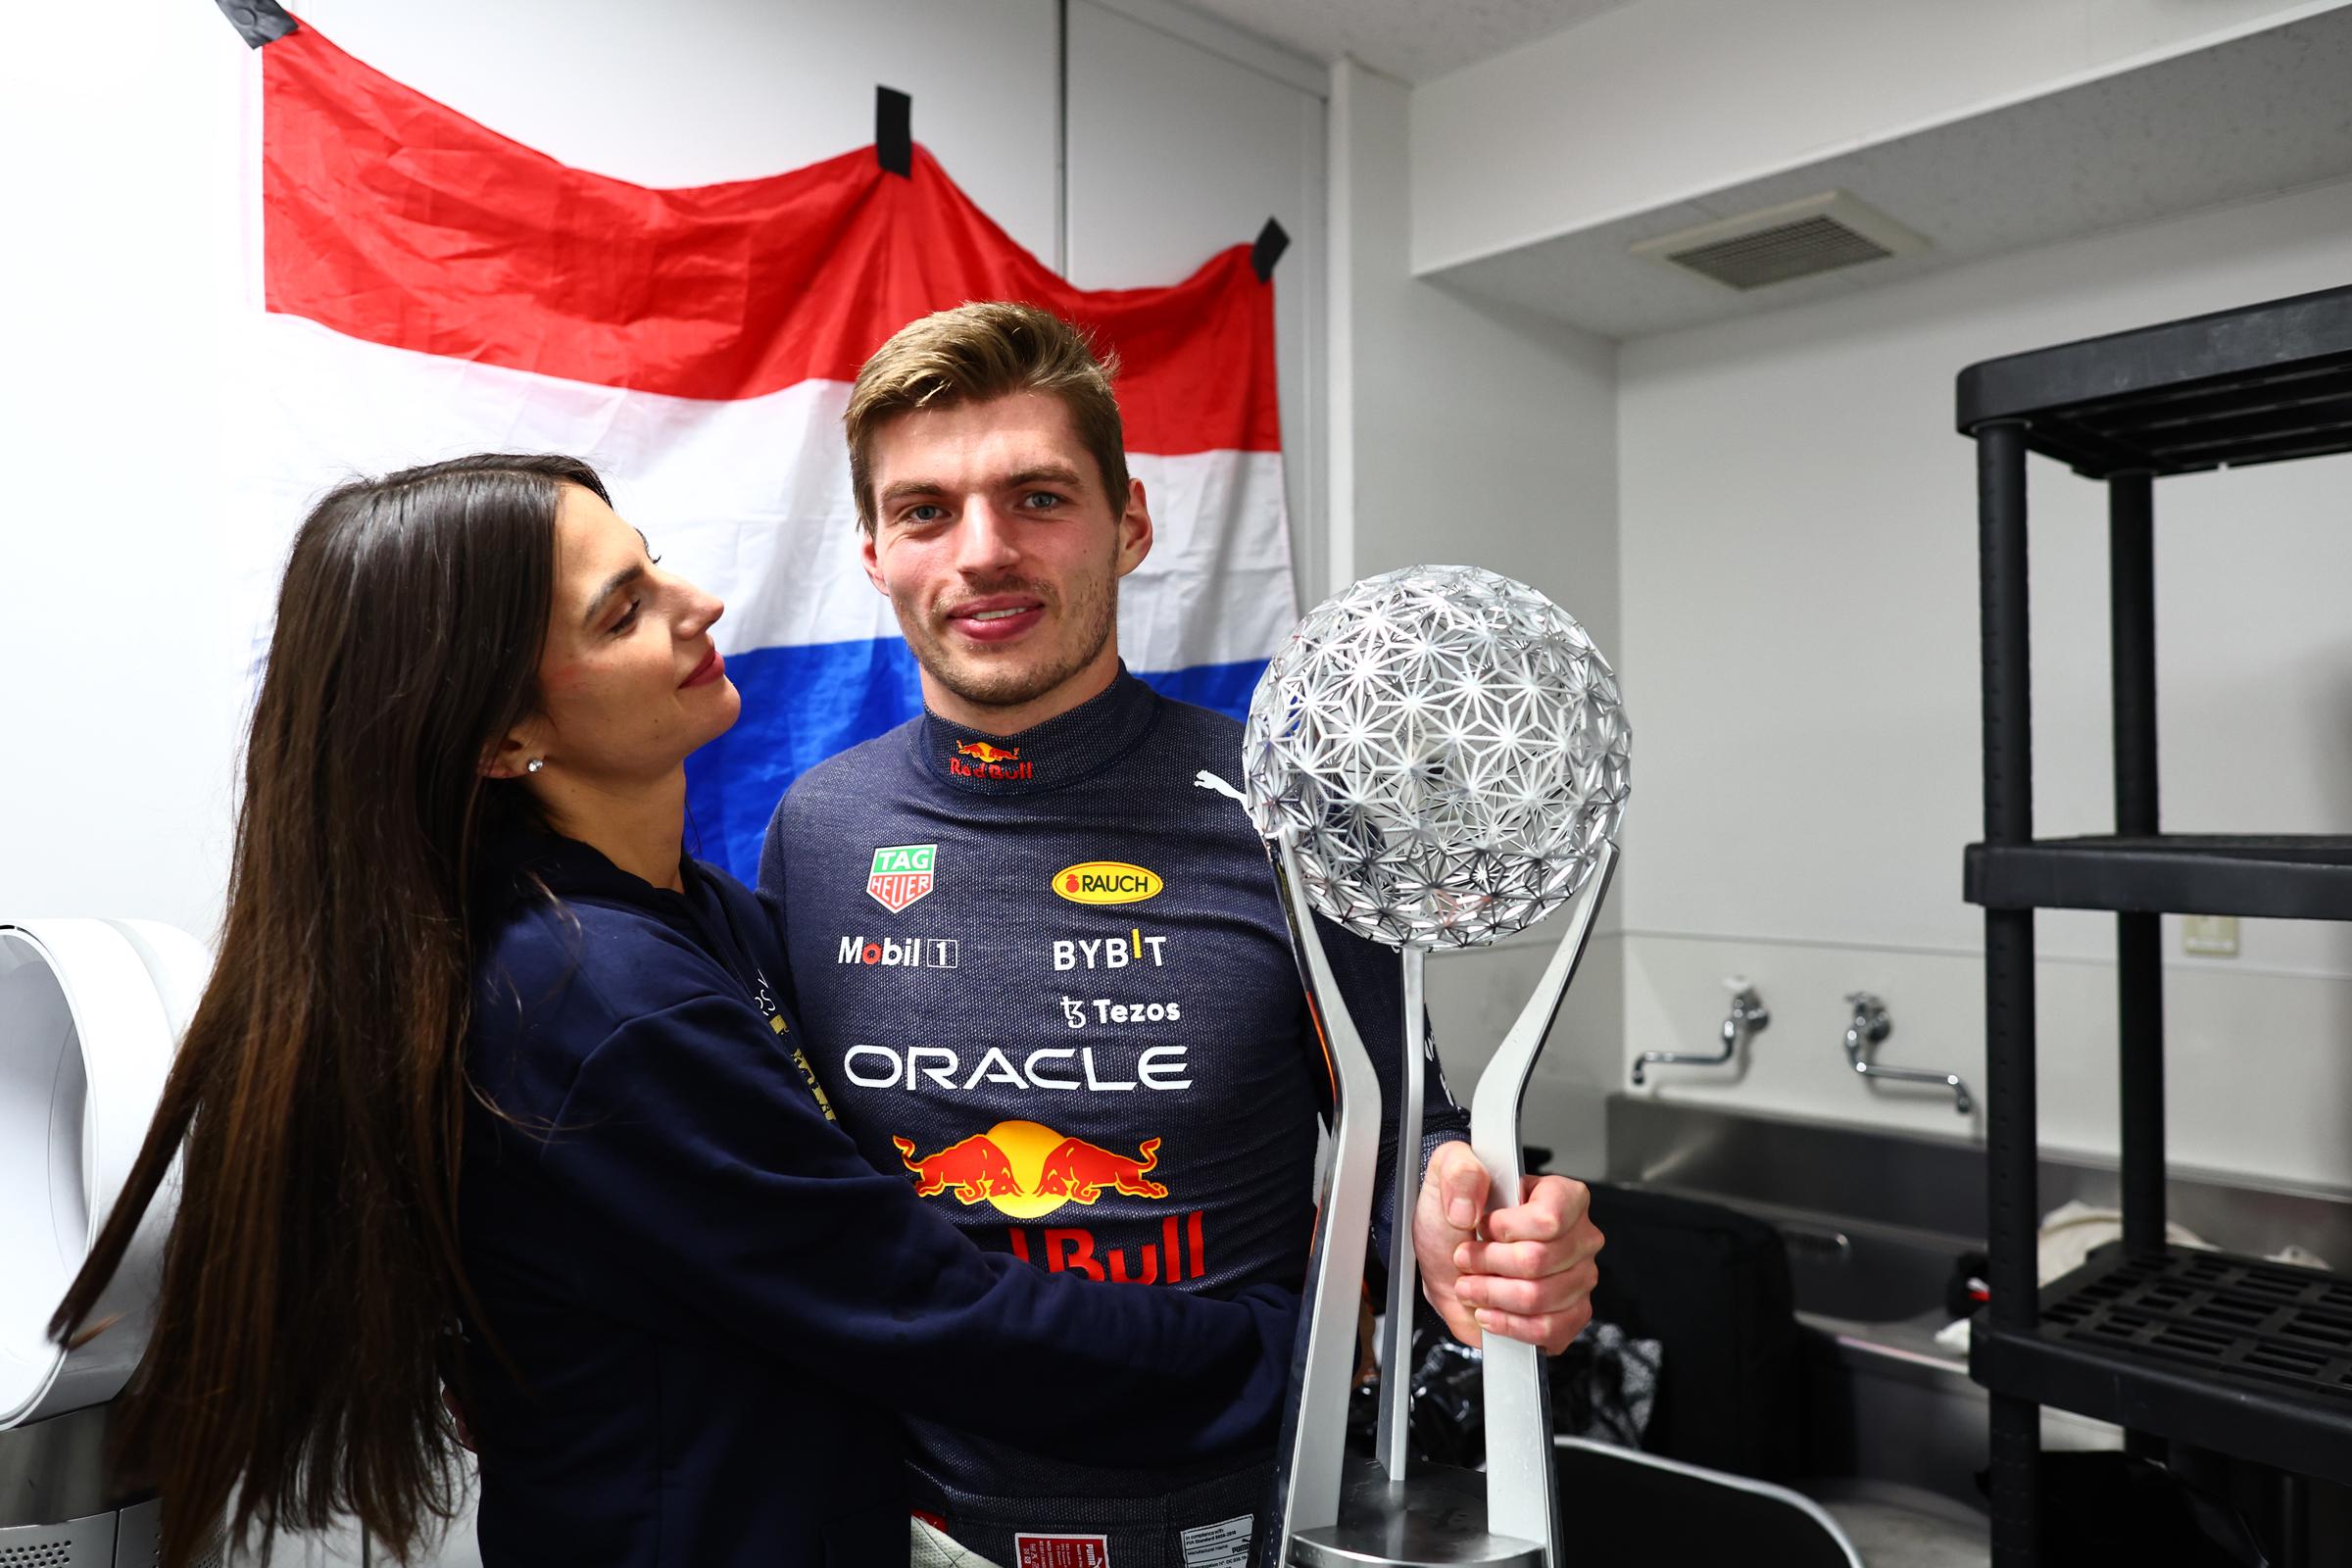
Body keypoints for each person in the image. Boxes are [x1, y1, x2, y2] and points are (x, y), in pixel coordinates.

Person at [52, 455, 1308, 1568]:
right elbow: (920, 1305)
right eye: (624, 611)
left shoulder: (690, 909)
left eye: (651, 564)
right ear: (501, 732)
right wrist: (1283, 1355)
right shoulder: (593, 1002)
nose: (695, 603)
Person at [759, 304, 1607, 1567]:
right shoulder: (820, 829)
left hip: (1236, 1511)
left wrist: (1465, 1223)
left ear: (1131, 523)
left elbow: (1401, 1126)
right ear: (878, 555)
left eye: (1038, 498)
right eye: (927, 511)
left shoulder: (1282, 815)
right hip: (899, 1510)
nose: (983, 552)